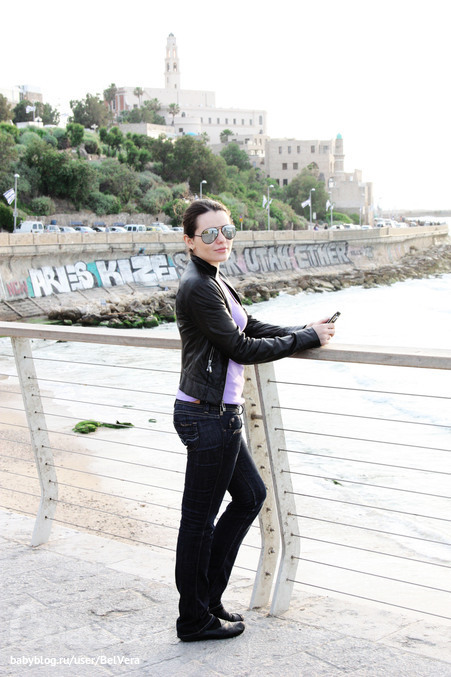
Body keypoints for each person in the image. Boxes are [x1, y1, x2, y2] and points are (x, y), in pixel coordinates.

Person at [173, 198, 335, 642]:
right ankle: (193, 618)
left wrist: (303, 332)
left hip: (218, 415)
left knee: (250, 496)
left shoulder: (213, 279)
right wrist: (304, 338)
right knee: (198, 521)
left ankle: (208, 600)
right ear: (189, 241)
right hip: (207, 416)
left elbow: (249, 327)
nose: (221, 239)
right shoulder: (198, 286)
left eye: (227, 231)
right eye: (209, 233)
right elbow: (240, 348)